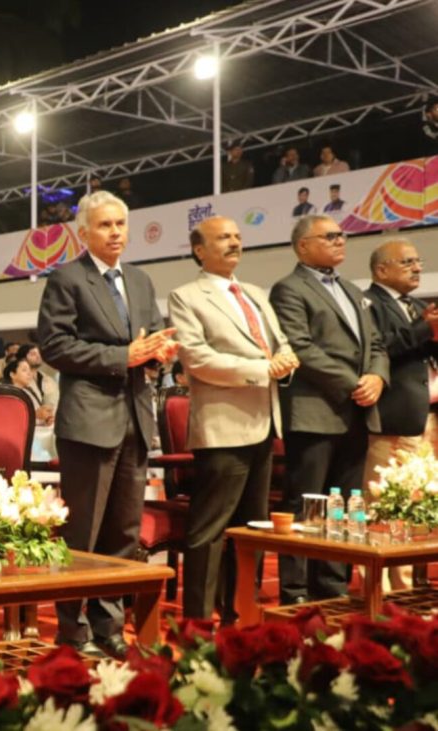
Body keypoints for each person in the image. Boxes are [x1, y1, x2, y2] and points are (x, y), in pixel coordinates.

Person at [37, 190, 177, 659]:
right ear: (84, 232)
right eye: (105, 225)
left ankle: (109, 625)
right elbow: (54, 346)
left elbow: (149, 342)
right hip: (89, 420)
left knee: (123, 533)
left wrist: (158, 354)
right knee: (83, 533)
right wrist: (123, 356)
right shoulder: (67, 278)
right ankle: (71, 630)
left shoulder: (139, 279)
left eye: (120, 224)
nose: (115, 232)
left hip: (135, 415)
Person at [167, 216, 298, 623]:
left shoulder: (255, 293)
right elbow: (197, 358)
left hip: (263, 422)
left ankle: (240, 613)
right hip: (222, 427)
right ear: (199, 250)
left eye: (238, 236)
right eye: (223, 237)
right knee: (210, 530)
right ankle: (198, 621)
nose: (234, 243)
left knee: (252, 529)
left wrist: (287, 361)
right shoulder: (186, 296)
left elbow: (280, 343)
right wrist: (263, 369)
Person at [270, 214, 387, 605]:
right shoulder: (288, 288)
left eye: (342, 235)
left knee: (346, 503)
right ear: (303, 245)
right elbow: (300, 347)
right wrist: (353, 382)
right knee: (305, 502)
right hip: (315, 411)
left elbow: (377, 344)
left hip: (357, 411)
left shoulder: (352, 290)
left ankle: (333, 586)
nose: (341, 241)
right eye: (331, 236)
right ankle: (296, 591)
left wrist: (377, 377)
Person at [363, 239, 438, 589]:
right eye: (407, 262)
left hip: (426, 416)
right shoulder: (368, 304)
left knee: (417, 501)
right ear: (382, 270)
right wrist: (425, 329)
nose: (417, 268)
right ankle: (377, 588)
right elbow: (378, 350)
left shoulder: (419, 306)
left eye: (418, 261)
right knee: (381, 501)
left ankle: (407, 586)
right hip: (390, 418)